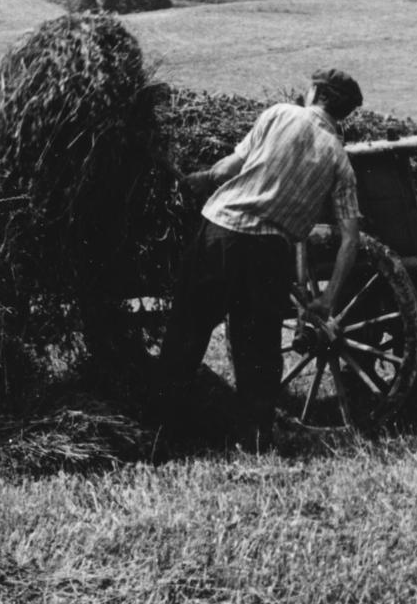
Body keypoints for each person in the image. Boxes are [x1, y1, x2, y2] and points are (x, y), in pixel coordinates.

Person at [156, 69, 365, 451]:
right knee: (259, 350)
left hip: (222, 231)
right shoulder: (340, 161)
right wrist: (328, 299)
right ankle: (254, 443)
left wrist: (194, 179)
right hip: (271, 251)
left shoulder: (280, 114)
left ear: (315, 92)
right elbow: (350, 238)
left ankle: (161, 436)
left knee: (187, 334)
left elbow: (226, 169)